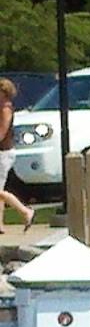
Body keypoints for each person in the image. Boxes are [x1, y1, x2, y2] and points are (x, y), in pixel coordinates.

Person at [0, 79, 33, 233]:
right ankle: (0, 225)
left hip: (3, 152)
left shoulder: (6, 109)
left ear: (4, 92)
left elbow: (2, 132)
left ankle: (25, 211)